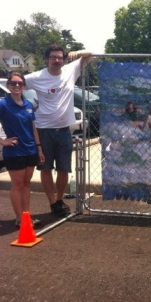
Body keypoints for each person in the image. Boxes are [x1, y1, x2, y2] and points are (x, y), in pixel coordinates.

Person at [25, 45, 92, 217]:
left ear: (64, 59)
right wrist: (24, 107)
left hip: (64, 130)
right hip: (43, 130)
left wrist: (79, 53)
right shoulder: (36, 77)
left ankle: (60, 200)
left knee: (64, 169)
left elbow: (91, 55)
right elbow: (15, 83)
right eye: (53, 57)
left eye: (60, 57)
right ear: (47, 59)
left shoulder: (71, 69)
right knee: (46, 168)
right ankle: (52, 202)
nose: (56, 60)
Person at [0, 72, 45, 227]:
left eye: (20, 83)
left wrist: (39, 149)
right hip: (14, 152)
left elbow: (33, 128)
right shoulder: (3, 104)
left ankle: (27, 216)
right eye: (13, 83)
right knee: (17, 184)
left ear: (24, 86)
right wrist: (2, 141)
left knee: (26, 184)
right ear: (8, 86)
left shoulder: (28, 105)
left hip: (30, 150)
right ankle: (19, 218)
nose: (17, 86)